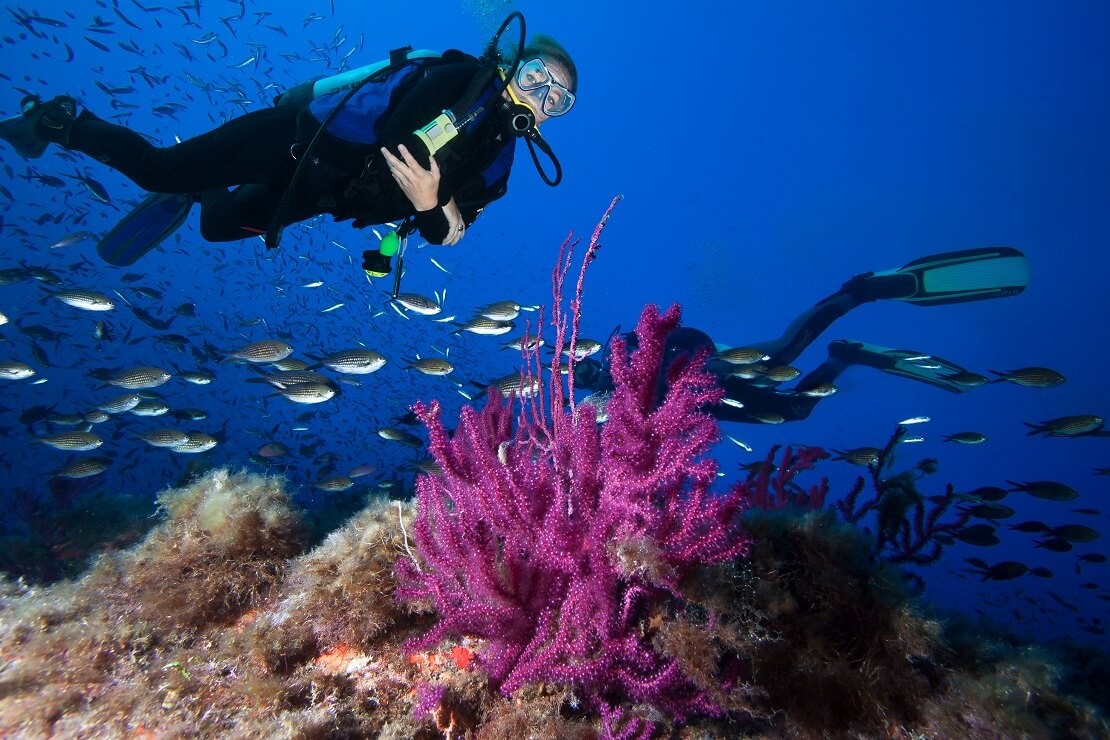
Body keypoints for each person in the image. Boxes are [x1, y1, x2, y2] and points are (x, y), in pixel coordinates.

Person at [0, 25, 575, 269]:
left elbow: (452, 232)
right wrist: (433, 200)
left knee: (217, 227)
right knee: (158, 171)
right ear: (509, 65)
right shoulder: (460, 78)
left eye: (558, 99)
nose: (541, 96)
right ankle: (63, 122)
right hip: (299, 142)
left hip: (321, 195)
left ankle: (205, 192)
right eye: (535, 77)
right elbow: (398, 135)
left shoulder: (500, 164)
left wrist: (433, 204)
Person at [573, 247, 1031, 424]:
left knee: (783, 354)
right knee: (794, 411)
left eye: (587, 368)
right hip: (702, 400)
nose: (592, 379)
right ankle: (847, 356)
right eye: (586, 380)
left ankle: (862, 290)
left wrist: (626, 367)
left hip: (695, 361)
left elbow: (670, 337)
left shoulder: (625, 350)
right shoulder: (606, 410)